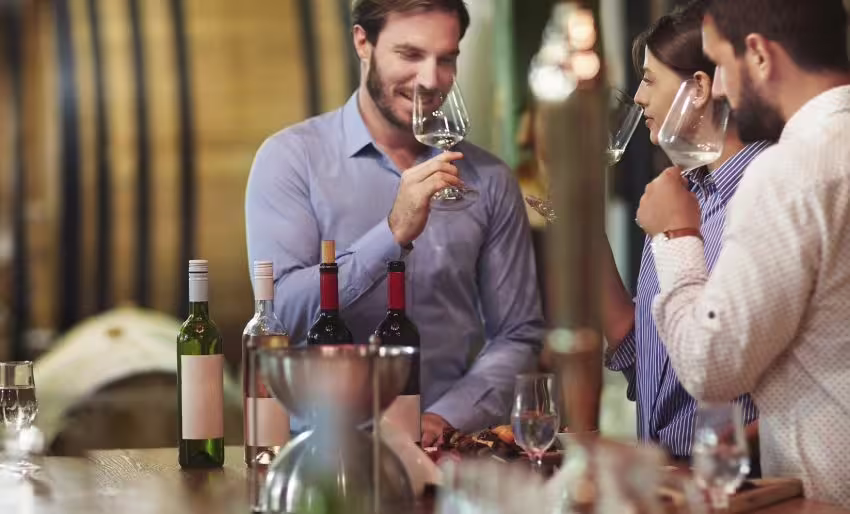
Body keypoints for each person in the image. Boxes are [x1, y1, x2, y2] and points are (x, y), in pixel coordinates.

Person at [245, 0, 544, 446]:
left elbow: (518, 334)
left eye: (446, 59)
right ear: (362, 43)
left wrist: (444, 418)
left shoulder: (490, 180)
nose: (430, 80)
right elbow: (280, 319)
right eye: (410, 55)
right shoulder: (291, 160)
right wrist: (392, 235)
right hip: (319, 457)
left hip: (448, 454)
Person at [636, 0, 850, 506]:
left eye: (722, 65)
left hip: (826, 494)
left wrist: (676, 235)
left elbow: (712, 370)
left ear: (758, 53)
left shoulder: (788, 171)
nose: (722, 89)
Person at [601, 0, 769, 462]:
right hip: (668, 483)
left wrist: (709, 459)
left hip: (735, 486)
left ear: (698, 88)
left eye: (650, 79)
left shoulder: (763, 197)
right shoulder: (680, 196)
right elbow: (649, 361)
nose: (637, 96)